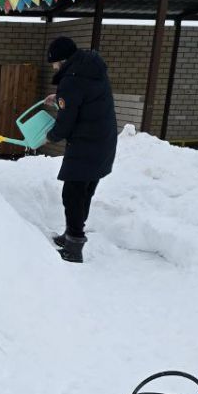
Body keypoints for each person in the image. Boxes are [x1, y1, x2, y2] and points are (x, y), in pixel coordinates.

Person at [43, 36, 118, 264]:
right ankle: (71, 235)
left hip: (85, 143)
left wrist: (51, 136)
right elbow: (84, 99)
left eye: (55, 63)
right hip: (103, 141)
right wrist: (60, 98)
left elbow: (67, 120)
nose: (54, 68)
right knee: (84, 192)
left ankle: (74, 247)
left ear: (63, 60)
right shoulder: (90, 69)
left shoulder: (71, 80)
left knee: (73, 194)